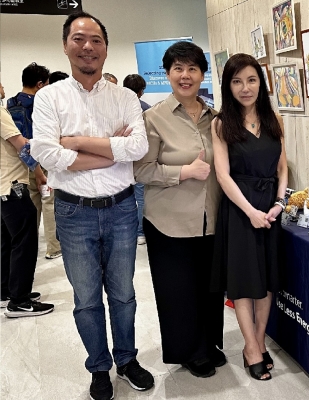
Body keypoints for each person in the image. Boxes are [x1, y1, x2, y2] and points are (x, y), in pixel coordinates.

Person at [30, 11, 154, 400]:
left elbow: (138, 148)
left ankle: (127, 360)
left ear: (106, 47)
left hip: (121, 210)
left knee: (124, 294)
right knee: (86, 300)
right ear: (65, 45)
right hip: (73, 212)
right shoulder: (49, 97)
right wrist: (110, 150)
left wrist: (78, 143)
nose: (88, 46)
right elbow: (47, 154)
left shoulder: (125, 97)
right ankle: (99, 367)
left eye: (96, 39)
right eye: (79, 39)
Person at [134, 41, 226, 378]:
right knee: (179, 291)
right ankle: (190, 351)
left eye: (192, 69)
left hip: (211, 218)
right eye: (178, 69)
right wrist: (183, 172)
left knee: (211, 288)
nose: (185, 75)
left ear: (202, 74)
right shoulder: (153, 118)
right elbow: (140, 170)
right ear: (167, 73)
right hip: (169, 221)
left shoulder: (215, 118)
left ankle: (209, 343)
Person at [210, 53, 288, 381]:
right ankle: (252, 348)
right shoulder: (221, 124)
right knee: (243, 282)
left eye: (252, 80)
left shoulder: (274, 118)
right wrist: (250, 211)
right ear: (228, 86)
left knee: (267, 280)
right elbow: (223, 175)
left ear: (261, 83)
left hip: (270, 208)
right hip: (240, 210)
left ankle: (258, 340)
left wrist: (280, 203)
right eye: (237, 81)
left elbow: (283, 167)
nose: (245, 87)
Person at [0, 81, 55, 317]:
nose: (3, 87)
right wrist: (40, 172)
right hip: (13, 184)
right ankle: (20, 301)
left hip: (2, 187)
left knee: (6, 240)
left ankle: (6, 291)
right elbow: (21, 146)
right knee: (25, 240)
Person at [6, 63, 61, 260]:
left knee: (31, 206)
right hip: (41, 164)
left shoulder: (10, 104)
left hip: (20, 165)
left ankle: (30, 248)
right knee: (49, 202)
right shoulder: (40, 105)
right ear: (40, 84)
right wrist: (38, 171)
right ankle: (54, 247)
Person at [124, 73, 150, 246]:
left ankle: (128, 232)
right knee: (141, 197)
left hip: (119, 160)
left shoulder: (116, 107)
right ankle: (140, 232)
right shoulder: (147, 110)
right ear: (141, 91)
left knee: (124, 198)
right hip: (140, 159)